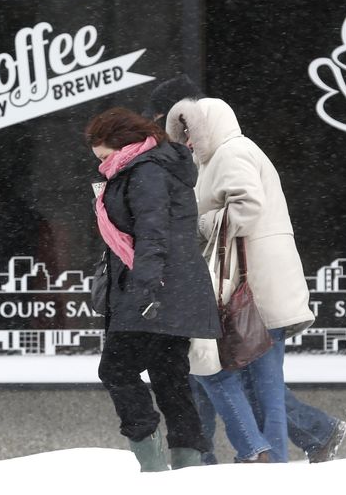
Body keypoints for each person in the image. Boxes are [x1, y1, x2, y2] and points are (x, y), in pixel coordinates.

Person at [148, 75, 346, 464]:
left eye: (179, 127)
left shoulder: (231, 153)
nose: (180, 139)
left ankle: (269, 462)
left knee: (258, 382)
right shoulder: (213, 157)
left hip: (254, 286)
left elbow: (246, 208)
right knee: (229, 375)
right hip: (245, 283)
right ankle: (237, 457)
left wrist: (196, 224)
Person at [85, 107, 222, 471]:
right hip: (171, 287)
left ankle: (152, 463)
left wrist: (144, 292)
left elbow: (152, 234)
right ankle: (186, 463)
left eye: (104, 156)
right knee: (169, 376)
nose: (101, 164)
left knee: (116, 369)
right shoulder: (150, 168)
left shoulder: (146, 172)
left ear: (124, 144)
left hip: (155, 289)